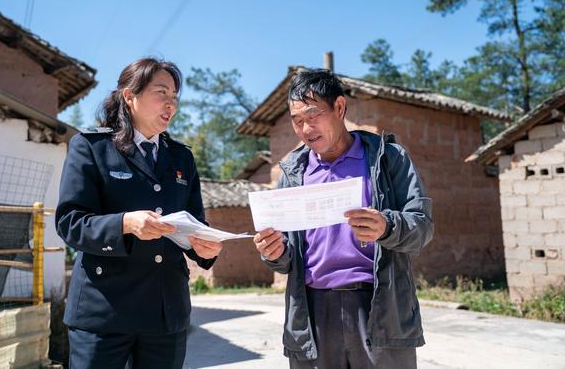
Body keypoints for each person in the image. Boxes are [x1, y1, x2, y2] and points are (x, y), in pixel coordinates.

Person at [253, 68, 433, 368]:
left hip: (378, 307)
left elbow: (423, 226)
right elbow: (287, 256)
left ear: (339, 107)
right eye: (297, 120)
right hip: (313, 311)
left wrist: (387, 226)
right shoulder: (292, 174)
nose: (306, 128)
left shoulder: (387, 159)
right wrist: (275, 253)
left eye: (313, 115)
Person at [56, 57, 222, 369]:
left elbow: (196, 224)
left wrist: (206, 248)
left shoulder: (181, 158)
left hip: (165, 313)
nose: (170, 103)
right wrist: (125, 224)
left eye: (174, 96)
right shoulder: (91, 147)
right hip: (104, 312)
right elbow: (70, 223)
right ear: (130, 97)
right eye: (162, 93)